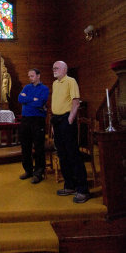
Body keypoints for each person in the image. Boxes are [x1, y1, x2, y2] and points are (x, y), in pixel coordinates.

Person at [51, 61, 90, 203]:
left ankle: (83, 189)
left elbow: (76, 102)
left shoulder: (71, 81)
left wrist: (70, 119)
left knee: (73, 155)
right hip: (57, 120)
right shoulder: (55, 83)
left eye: (56, 68)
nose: (54, 70)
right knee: (62, 155)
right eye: (53, 68)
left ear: (64, 69)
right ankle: (70, 185)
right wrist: (54, 124)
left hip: (67, 120)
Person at [18, 68, 49, 184]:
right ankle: (28, 170)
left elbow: (40, 103)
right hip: (25, 120)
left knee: (39, 147)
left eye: (32, 76)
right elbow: (20, 99)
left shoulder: (44, 88)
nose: (30, 78)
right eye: (29, 76)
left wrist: (28, 100)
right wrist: (32, 99)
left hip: (37, 120)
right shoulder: (26, 87)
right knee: (25, 146)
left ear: (38, 76)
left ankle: (38, 173)